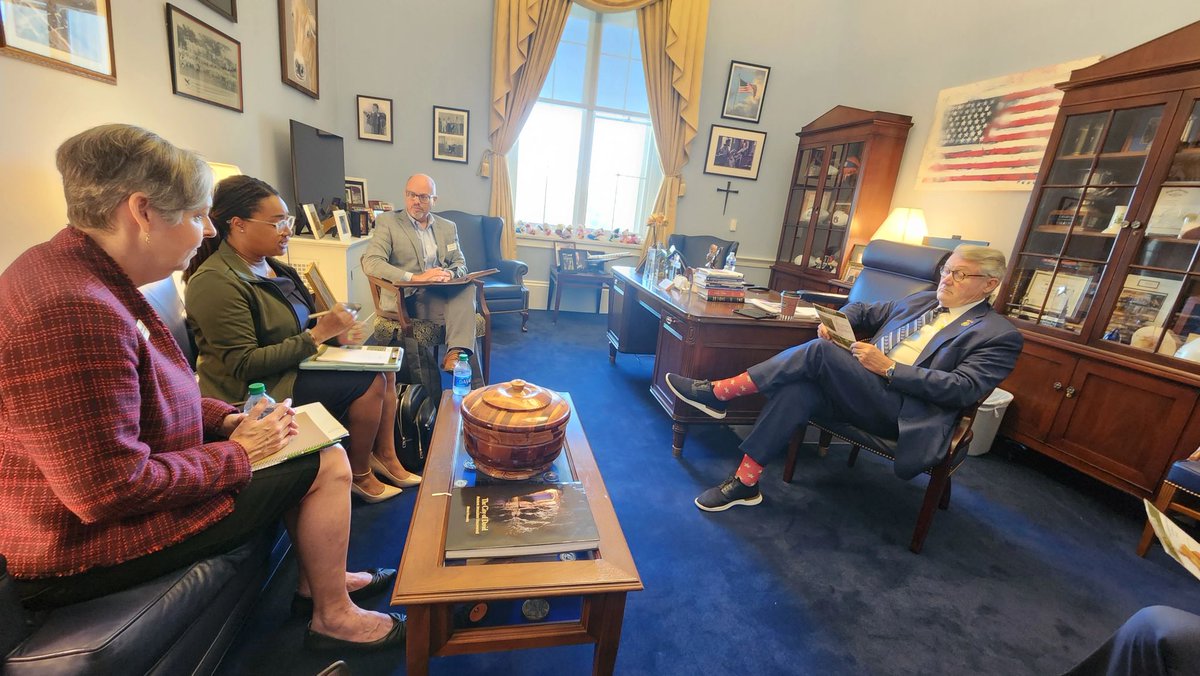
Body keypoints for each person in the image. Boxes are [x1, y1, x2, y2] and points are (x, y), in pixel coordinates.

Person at [0, 124, 403, 650]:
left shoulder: (82, 273)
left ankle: (319, 582)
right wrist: (236, 454)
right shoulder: (73, 310)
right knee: (324, 458)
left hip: (119, 495)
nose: (208, 232)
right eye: (196, 216)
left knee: (300, 435)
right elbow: (107, 492)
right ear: (142, 211)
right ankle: (333, 615)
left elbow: (152, 392)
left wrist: (226, 418)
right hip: (82, 546)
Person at [666, 245, 1023, 511]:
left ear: (989, 284)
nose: (947, 278)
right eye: (947, 269)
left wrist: (891, 369)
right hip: (863, 389)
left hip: (907, 412)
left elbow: (964, 389)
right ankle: (746, 483)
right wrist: (840, 323)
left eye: (960, 274)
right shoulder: (924, 299)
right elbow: (863, 309)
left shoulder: (997, 334)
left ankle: (720, 393)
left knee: (818, 353)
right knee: (799, 390)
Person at [184, 175, 420, 504]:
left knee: (386, 367)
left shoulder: (276, 269)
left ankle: (386, 457)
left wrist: (337, 335)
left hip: (297, 365)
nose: (287, 230)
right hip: (257, 389)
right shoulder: (215, 282)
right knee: (369, 382)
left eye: (288, 220)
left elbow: (306, 322)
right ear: (238, 224)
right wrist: (319, 335)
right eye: (277, 222)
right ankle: (361, 472)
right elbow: (243, 365)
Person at [361, 173, 477, 373]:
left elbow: (460, 263)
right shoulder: (388, 222)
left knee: (468, 288)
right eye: (411, 195)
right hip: (408, 298)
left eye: (423, 197)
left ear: (434, 200)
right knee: (464, 313)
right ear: (405, 195)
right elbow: (371, 262)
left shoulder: (447, 227)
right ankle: (465, 373)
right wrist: (415, 278)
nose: (416, 201)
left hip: (439, 294)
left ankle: (455, 354)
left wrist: (449, 274)